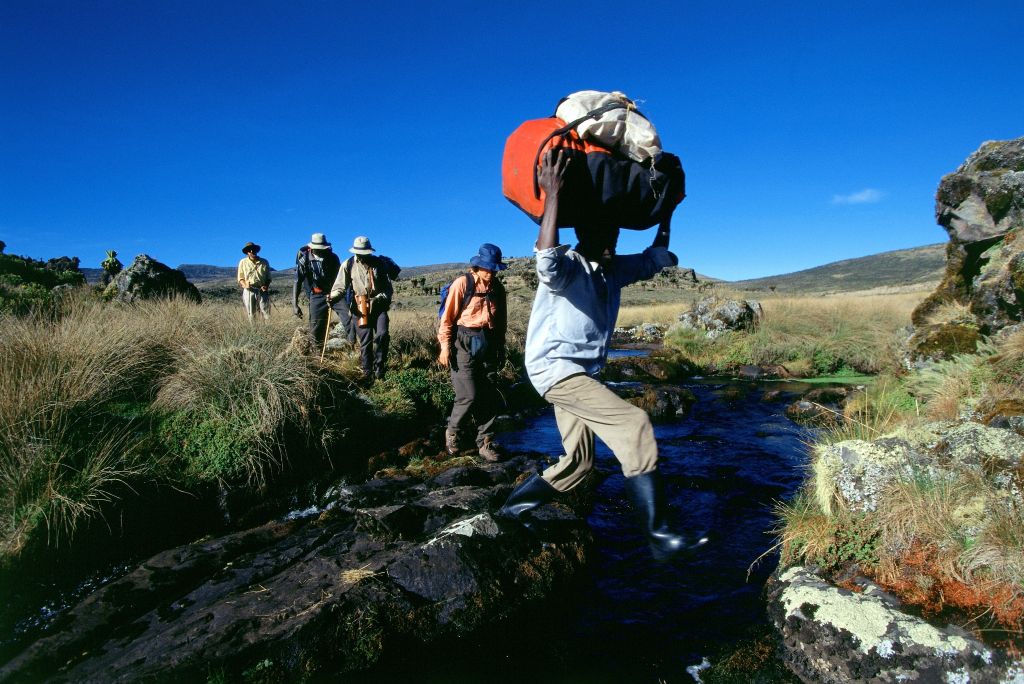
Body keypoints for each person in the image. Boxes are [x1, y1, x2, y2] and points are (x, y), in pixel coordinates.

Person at [497, 149, 706, 559]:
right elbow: (545, 257)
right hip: (556, 370)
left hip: (582, 376)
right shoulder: (568, 266)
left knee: (579, 462)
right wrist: (552, 193)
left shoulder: (613, 269)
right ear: (585, 236)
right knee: (635, 424)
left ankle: (511, 508)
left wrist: (668, 210)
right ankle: (659, 535)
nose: (610, 242)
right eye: (603, 236)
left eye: (613, 237)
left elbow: (656, 259)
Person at [438, 244, 508, 462]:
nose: (491, 273)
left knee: (489, 394)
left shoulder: (498, 288)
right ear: (476, 267)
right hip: (464, 343)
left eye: (494, 269)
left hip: (489, 344)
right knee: (468, 395)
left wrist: (501, 348)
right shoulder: (463, 284)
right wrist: (445, 346)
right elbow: (447, 318)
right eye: (487, 269)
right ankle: (453, 433)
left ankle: (485, 442)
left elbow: (501, 322)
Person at [330, 236, 399, 382]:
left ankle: (380, 368)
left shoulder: (379, 264)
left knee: (383, 334)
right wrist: (332, 296)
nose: (363, 255)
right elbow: (339, 286)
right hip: (360, 307)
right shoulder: (348, 264)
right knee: (366, 340)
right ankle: (367, 372)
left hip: (379, 307)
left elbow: (388, 287)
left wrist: (382, 296)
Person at [292, 233, 353, 347]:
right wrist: (294, 304)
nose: (321, 251)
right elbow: (297, 281)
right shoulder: (304, 260)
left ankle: (353, 346)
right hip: (316, 294)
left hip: (335, 293)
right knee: (316, 326)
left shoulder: (333, 257)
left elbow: (341, 277)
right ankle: (317, 354)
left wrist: (339, 294)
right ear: (312, 248)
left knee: (348, 318)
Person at [237, 242, 271, 322]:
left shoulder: (264, 262)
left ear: (256, 250)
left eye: (254, 249)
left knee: (266, 313)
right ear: (247, 252)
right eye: (249, 250)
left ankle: (268, 331)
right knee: (251, 314)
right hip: (249, 291)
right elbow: (240, 277)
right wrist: (245, 285)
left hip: (262, 290)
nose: (252, 251)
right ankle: (254, 332)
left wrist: (266, 286)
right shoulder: (243, 262)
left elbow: (268, 277)